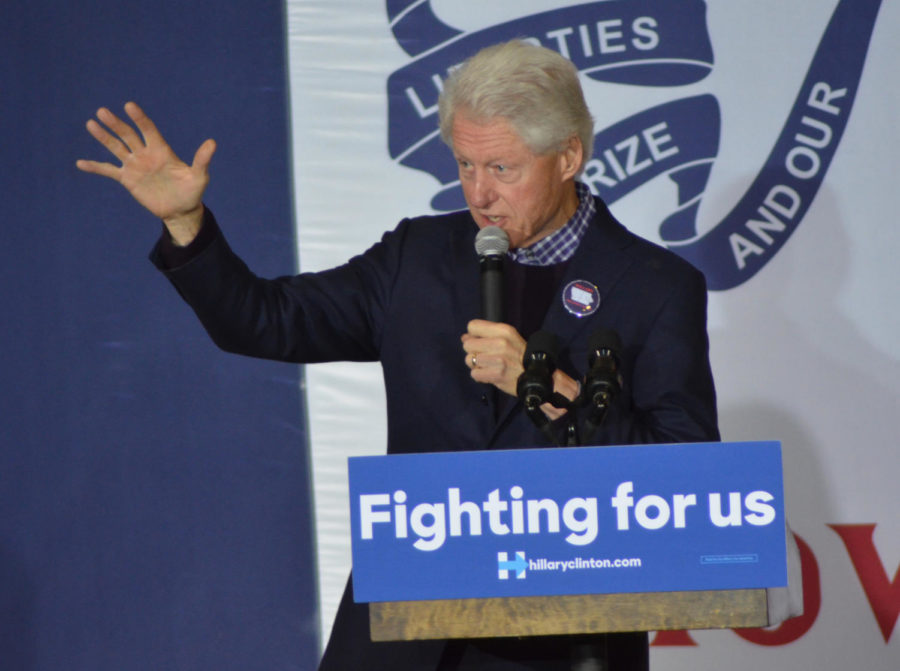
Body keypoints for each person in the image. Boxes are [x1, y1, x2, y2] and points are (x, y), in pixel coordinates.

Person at [77, 40, 718, 671]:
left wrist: (545, 384)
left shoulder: (657, 287)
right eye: (465, 166)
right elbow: (266, 321)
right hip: (402, 638)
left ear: (568, 155)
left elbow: (685, 471)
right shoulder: (418, 257)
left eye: (503, 169)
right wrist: (186, 223)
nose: (480, 194)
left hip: (560, 641)